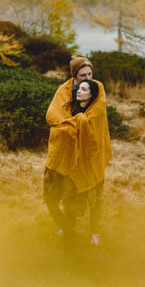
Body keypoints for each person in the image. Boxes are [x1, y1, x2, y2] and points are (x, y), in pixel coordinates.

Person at [44, 55, 112, 247]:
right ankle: (66, 228)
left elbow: (94, 118)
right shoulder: (64, 91)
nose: (87, 78)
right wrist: (72, 125)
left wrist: (71, 124)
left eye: (90, 74)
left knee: (94, 194)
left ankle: (94, 231)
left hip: (92, 152)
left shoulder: (97, 89)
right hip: (65, 152)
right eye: (83, 75)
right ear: (74, 75)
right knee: (55, 196)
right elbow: (52, 115)